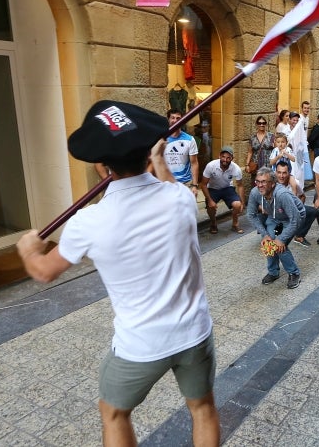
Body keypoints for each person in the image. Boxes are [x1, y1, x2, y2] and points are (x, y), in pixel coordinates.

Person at [16, 100, 219, 446]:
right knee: (202, 408)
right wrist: (159, 161)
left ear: (101, 163)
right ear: (148, 153)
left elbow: (43, 271)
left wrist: (29, 249)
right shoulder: (181, 200)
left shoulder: (89, 222)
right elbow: (169, 185)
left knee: (113, 413)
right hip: (194, 332)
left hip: (140, 344)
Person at [246, 167, 304, 289]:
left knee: (279, 245)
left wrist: (281, 239)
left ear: (272, 184)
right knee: (269, 241)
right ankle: (273, 272)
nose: (259, 185)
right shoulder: (255, 192)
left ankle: (294, 273)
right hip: (275, 217)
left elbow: (295, 219)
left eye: (263, 182)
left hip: (293, 218)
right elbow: (251, 215)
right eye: (258, 181)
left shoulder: (282, 195)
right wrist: (265, 234)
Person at [273, 160, 319, 249]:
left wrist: (297, 209)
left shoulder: (294, 183)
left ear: (289, 173)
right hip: (276, 213)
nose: (281, 176)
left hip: (290, 211)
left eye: (284, 173)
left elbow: (303, 196)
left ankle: (299, 235)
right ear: (275, 173)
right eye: (279, 172)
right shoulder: (271, 183)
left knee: (312, 211)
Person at [200, 146, 244, 235]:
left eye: (228, 158)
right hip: (213, 188)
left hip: (227, 188)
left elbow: (240, 185)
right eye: (223, 157)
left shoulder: (236, 168)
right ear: (219, 156)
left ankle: (235, 224)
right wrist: (210, 200)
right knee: (210, 206)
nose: (225, 160)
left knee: (237, 205)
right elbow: (203, 184)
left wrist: (242, 203)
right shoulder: (211, 166)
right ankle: (213, 223)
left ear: (232, 158)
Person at [162, 109, 200, 196]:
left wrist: (194, 185)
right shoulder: (161, 138)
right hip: (166, 183)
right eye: (172, 118)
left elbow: (194, 163)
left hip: (186, 183)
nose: (175, 121)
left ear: (182, 120)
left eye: (178, 118)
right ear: (168, 119)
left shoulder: (189, 140)